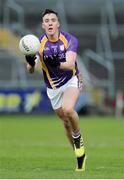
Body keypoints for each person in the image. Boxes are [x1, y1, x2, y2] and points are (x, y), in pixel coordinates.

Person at [25, 9, 86, 171]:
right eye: (47, 20)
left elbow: (70, 64)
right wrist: (30, 61)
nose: (50, 22)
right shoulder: (39, 45)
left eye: (53, 20)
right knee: (66, 123)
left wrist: (56, 63)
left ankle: (78, 139)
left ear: (58, 23)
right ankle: (79, 154)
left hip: (72, 79)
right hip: (53, 88)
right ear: (43, 25)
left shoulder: (70, 39)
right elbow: (31, 69)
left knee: (68, 109)